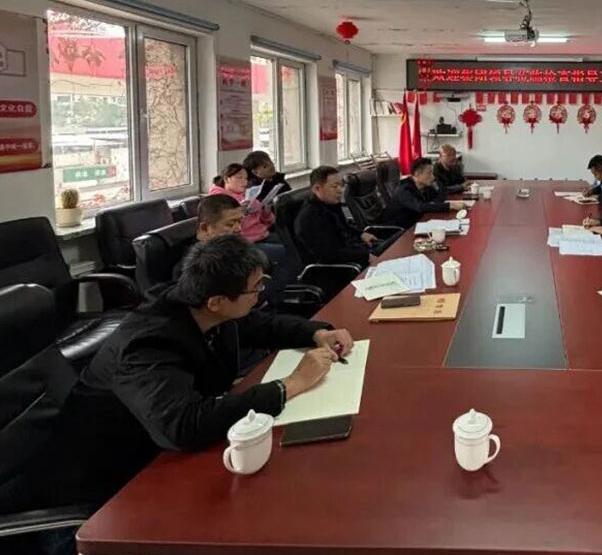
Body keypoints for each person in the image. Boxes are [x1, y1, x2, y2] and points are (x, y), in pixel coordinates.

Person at [0, 236, 352, 522]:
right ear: (217, 301)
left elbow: (260, 325)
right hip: (110, 484)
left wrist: (316, 332)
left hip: (159, 452)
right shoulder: (147, 345)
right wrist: (290, 385)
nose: (261, 294)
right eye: (256, 289)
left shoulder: (198, 303)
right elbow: (183, 427)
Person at [295, 165, 375, 268]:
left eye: (341, 185)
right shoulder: (309, 217)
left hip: (355, 251)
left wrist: (361, 234)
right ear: (317, 188)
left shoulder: (331, 204)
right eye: (334, 186)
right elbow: (330, 253)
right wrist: (365, 255)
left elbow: (344, 227)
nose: (340, 190)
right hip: (345, 267)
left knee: (391, 243)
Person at [385, 157, 467, 229]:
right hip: (402, 231)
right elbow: (420, 207)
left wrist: (438, 187)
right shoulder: (404, 190)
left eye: (432, 173)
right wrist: (450, 205)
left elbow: (440, 196)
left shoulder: (425, 187)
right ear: (417, 174)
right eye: (429, 173)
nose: (433, 177)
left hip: (419, 224)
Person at [209, 163, 278, 245]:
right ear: (226, 179)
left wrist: (267, 211)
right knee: (286, 249)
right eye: (239, 177)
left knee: (291, 240)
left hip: (262, 235)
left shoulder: (246, 195)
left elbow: (265, 222)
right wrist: (240, 212)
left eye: (246, 178)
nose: (244, 182)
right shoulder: (218, 199)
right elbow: (226, 228)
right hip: (245, 242)